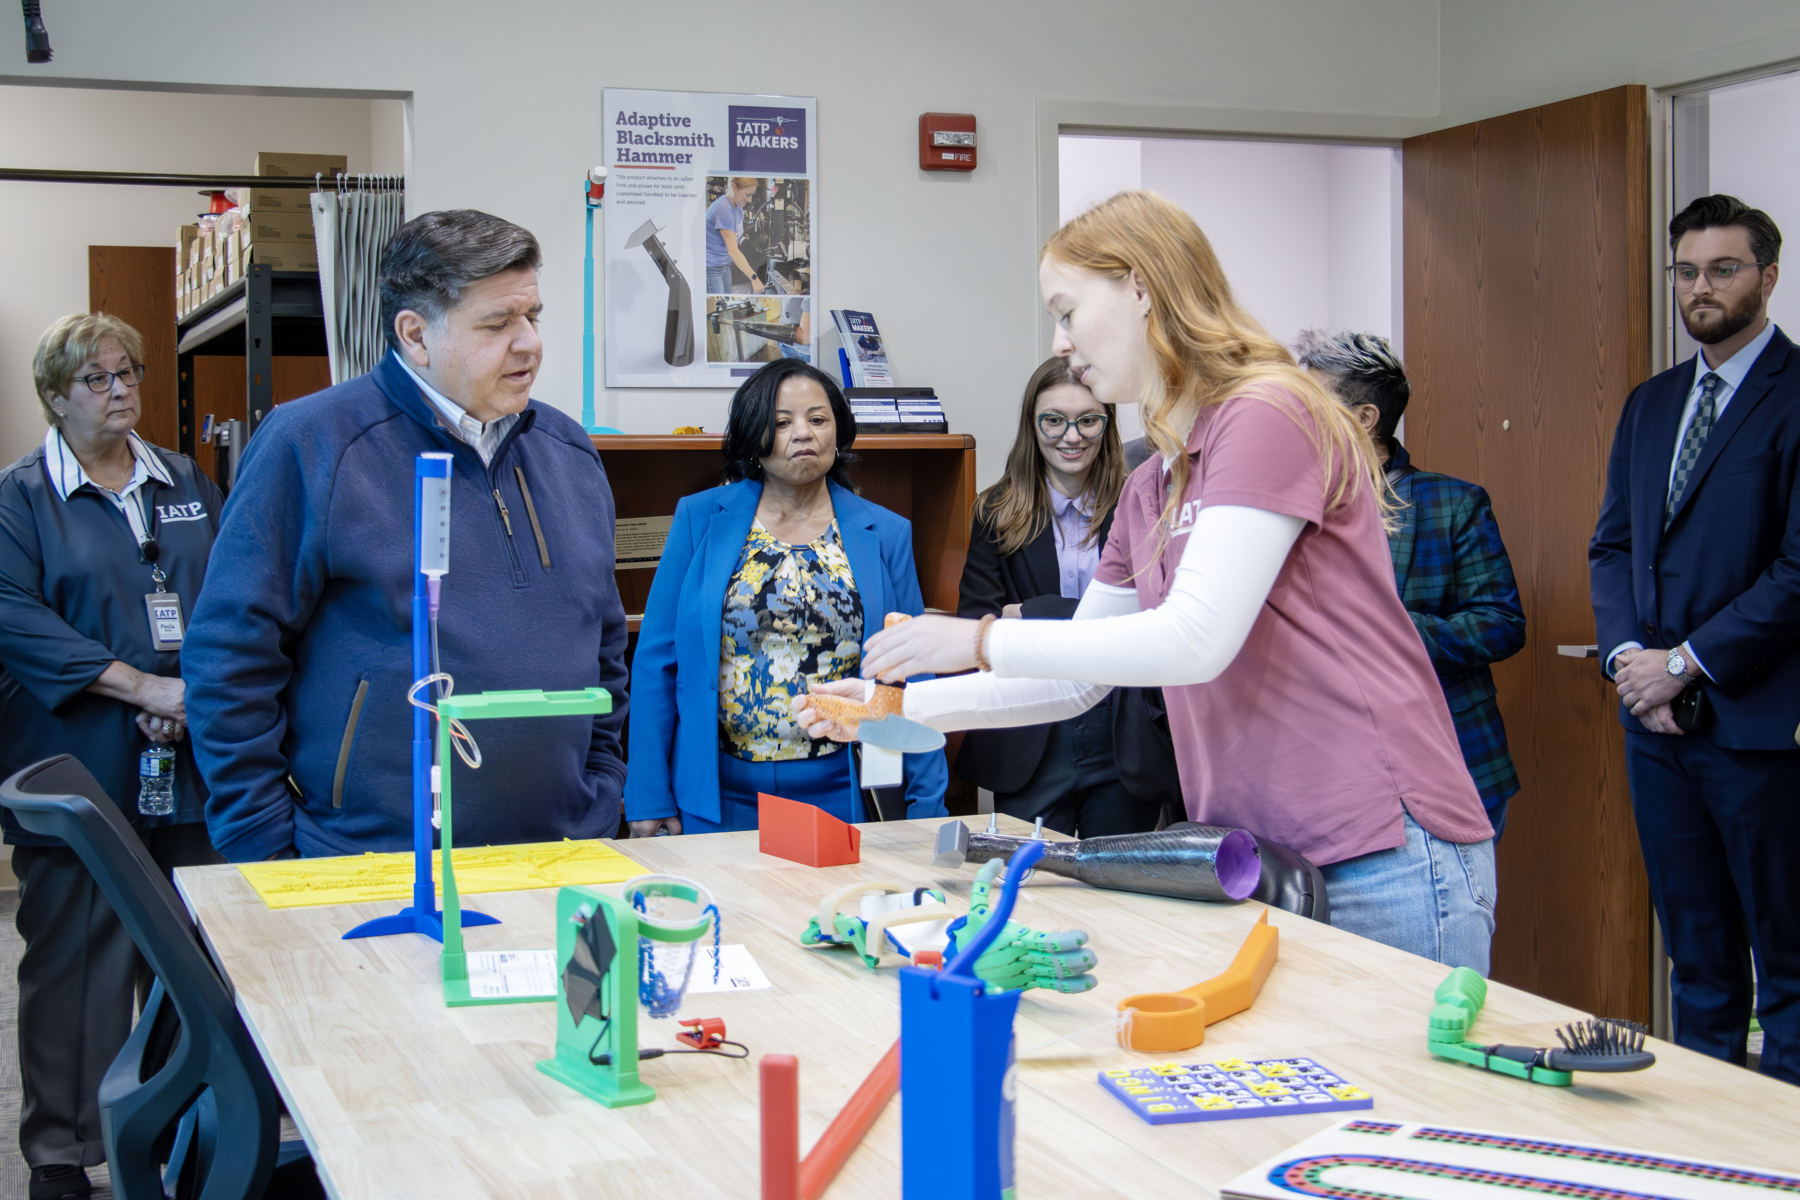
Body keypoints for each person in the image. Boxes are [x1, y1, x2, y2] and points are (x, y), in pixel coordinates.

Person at [800, 191, 1497, 970]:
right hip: (1259, 852)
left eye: (1067, 311)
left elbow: (1193, 640)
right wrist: (898, 708)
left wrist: (977, 637)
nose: (1062, 343)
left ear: (1140, 288)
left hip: (1381, 849)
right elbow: (1078, 679)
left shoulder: (1268, 414)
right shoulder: (1150, 485)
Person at [184, 210, 630, 861]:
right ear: (416, 336)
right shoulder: (312, 443)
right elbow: (229, 656)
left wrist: (602, 786)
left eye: (533, 315)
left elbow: (605, 643)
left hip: (565, 850)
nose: (529, 342)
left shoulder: (568, 450)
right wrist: (260, 844)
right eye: (498, 323)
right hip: (372, 858)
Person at [0, 313, 223, 1200]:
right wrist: (140, 688)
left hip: (190, 757)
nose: (121, 388)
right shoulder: (20, 499)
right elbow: (15, 619)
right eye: (96, 378)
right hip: (79, 761)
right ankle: (62, 1150)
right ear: (55, 397)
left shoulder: (188, 483)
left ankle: (170, 1127)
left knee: (188, 955)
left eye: (128, 371)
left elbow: (228, 594)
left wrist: (190, 693)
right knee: (76, 963)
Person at [1589, 194, 1800, 1086]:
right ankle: (1707, 1149)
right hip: (1657, 732)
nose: (1700, 287)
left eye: (1722, 268)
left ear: (1768, 276)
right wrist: (1628, 663)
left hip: (1755, 730)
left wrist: (1681, 665)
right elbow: (1616, 546)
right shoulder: (1652, 403)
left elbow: (1796, 571)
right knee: (1697, 958)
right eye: (1686, 270)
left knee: (1785, 964)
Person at [625, 357, 947, 835]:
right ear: (753, 435)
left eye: (818, 419)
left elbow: (913, 674)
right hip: (717, 794)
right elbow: (656, 659)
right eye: (781, 422)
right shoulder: (698, 519)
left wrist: (927, 808)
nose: (803, 433)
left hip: (847, 790)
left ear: (838, 432)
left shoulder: (885, 533)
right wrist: (647, 795)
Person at [1296, 330, 1526, 839]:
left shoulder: (1453, 503)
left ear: (1363, 418)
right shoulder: (1289, 510)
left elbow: (1501, 624)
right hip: (1326, 766)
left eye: (1311, 404)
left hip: (1450, 756)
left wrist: (1389, 631)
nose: (1297, 419)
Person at [955, 356, 1163, 837]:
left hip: (1123, 729)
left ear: (1107, 425)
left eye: (1088, 420)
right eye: (1054, 420)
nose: (1072, 436)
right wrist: (1097, 623)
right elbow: (979, 626)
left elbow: (1156, 617)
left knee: (1118, 893)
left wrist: (1034, 612)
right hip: (1032, 730)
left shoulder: (1143, 503)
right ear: (1033, 425)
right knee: (1033, 888)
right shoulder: (996, 510)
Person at [706, 176, 766, 296]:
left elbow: (736, 239)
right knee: (718, 307)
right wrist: (754, 278)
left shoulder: (738, 207)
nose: (750, 200)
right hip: (712, 267)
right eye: (748, 195)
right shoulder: (723, 209)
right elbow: (733, 251)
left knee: (726, 302)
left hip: (725, 265)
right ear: (734, 188)